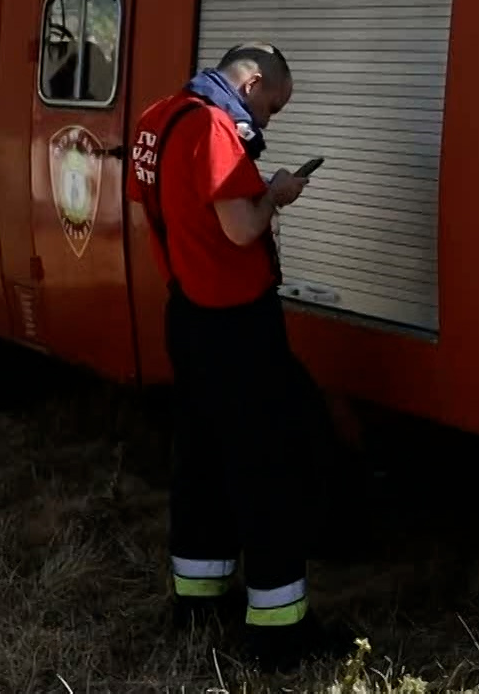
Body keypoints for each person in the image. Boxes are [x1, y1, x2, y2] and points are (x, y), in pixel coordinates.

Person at [126, 43, 354, 672]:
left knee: (198, 461)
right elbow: (239, 227)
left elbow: (159, 205)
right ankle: (279, 634)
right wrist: (276, 193)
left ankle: (198, 604)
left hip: (188, 319)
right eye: (273, 105)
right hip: (237, 327)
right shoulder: (212, 128)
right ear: (251, 83)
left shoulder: (157, 118)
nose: (271, 119)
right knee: (268, 469)